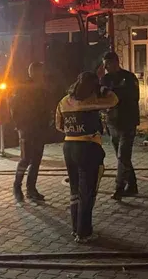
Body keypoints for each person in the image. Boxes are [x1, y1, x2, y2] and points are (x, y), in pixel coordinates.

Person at [55, 71, 118, 243]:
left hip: (69, 147)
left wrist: (73, 129)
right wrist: (104, 89)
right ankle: (84, 233)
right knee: (87, 192)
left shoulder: (64, 101)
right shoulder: (93, 101)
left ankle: (75, 228)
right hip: (88, 148)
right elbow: (114, 100)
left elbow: (59, 125)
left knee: (75, 190)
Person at [9, 62, 54, 203]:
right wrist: (20, 125)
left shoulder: (43, 88)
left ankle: (31, 189)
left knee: (36, 160)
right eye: (38, 72)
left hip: (39, 128)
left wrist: (48, 121)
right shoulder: (22, 88)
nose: (40, 74)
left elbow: (47, 106)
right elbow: (14, 107)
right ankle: (17, 187)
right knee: (25, 159)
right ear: (31, 72)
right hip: (27, 128)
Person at [100, 51, 140, 201]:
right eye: (104, 65)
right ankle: (132, 185)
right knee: (122, 156)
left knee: (123, 156)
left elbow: (133, 97)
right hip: (112, 123)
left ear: (115, 62)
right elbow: (101, 97)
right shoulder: (105, 79)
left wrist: (113, 93)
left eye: (107, 65)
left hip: (127, 122)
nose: (105, 68)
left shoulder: (129, 78)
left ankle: (119, 188)